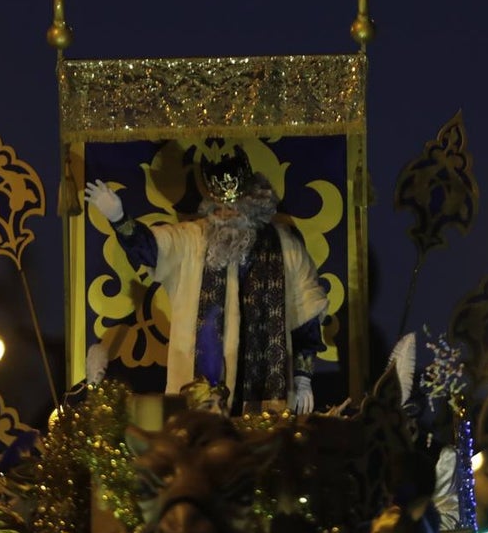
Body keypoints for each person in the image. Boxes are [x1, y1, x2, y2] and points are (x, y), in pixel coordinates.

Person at [84, 147, 328, 414]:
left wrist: (303, 377)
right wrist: (119, 219)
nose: (228, 216)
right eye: (221, 209)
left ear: (254, 204)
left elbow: (306, 316)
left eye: (237, 208)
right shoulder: (191, 240)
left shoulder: (284, 246)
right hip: (201, 395)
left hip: (266, 392)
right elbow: (150, 249)